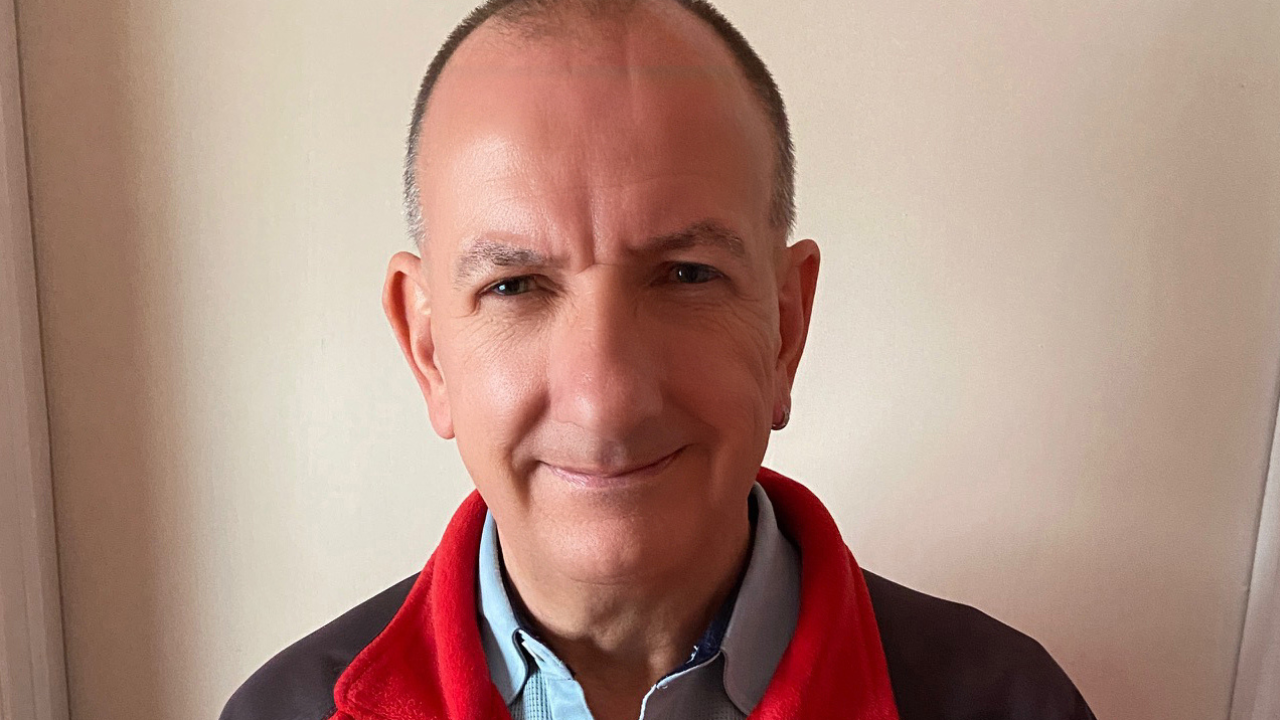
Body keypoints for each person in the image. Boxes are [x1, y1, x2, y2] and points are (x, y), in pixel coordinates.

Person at [221, 1, 1096, 719]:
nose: (606, 400)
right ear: (428, 351)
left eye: (686, 274)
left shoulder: (1015, 705)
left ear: (786, 327)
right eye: (517, 286)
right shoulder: (280, 713)